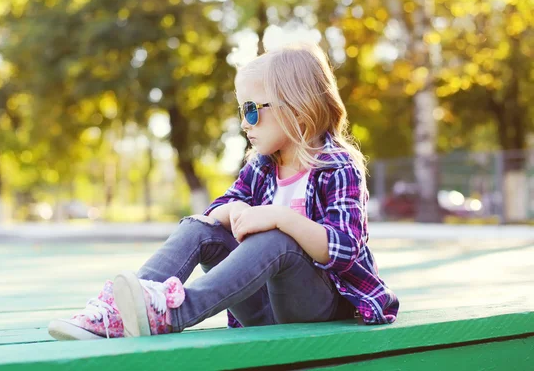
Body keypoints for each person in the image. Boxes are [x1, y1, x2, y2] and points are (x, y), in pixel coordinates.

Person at [47, 42, 399, 340]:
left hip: (316, 308)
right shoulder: (262, 165)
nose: (245, 123)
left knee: (274, 239)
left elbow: (345, 248)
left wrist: (279, 218)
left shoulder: (337, 166)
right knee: (201, 227)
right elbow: (219, 208)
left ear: (298, 110)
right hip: (262, 310)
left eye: (252, 110)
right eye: (241, 111)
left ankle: (174, 313)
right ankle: (119, 310)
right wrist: (232, 212)